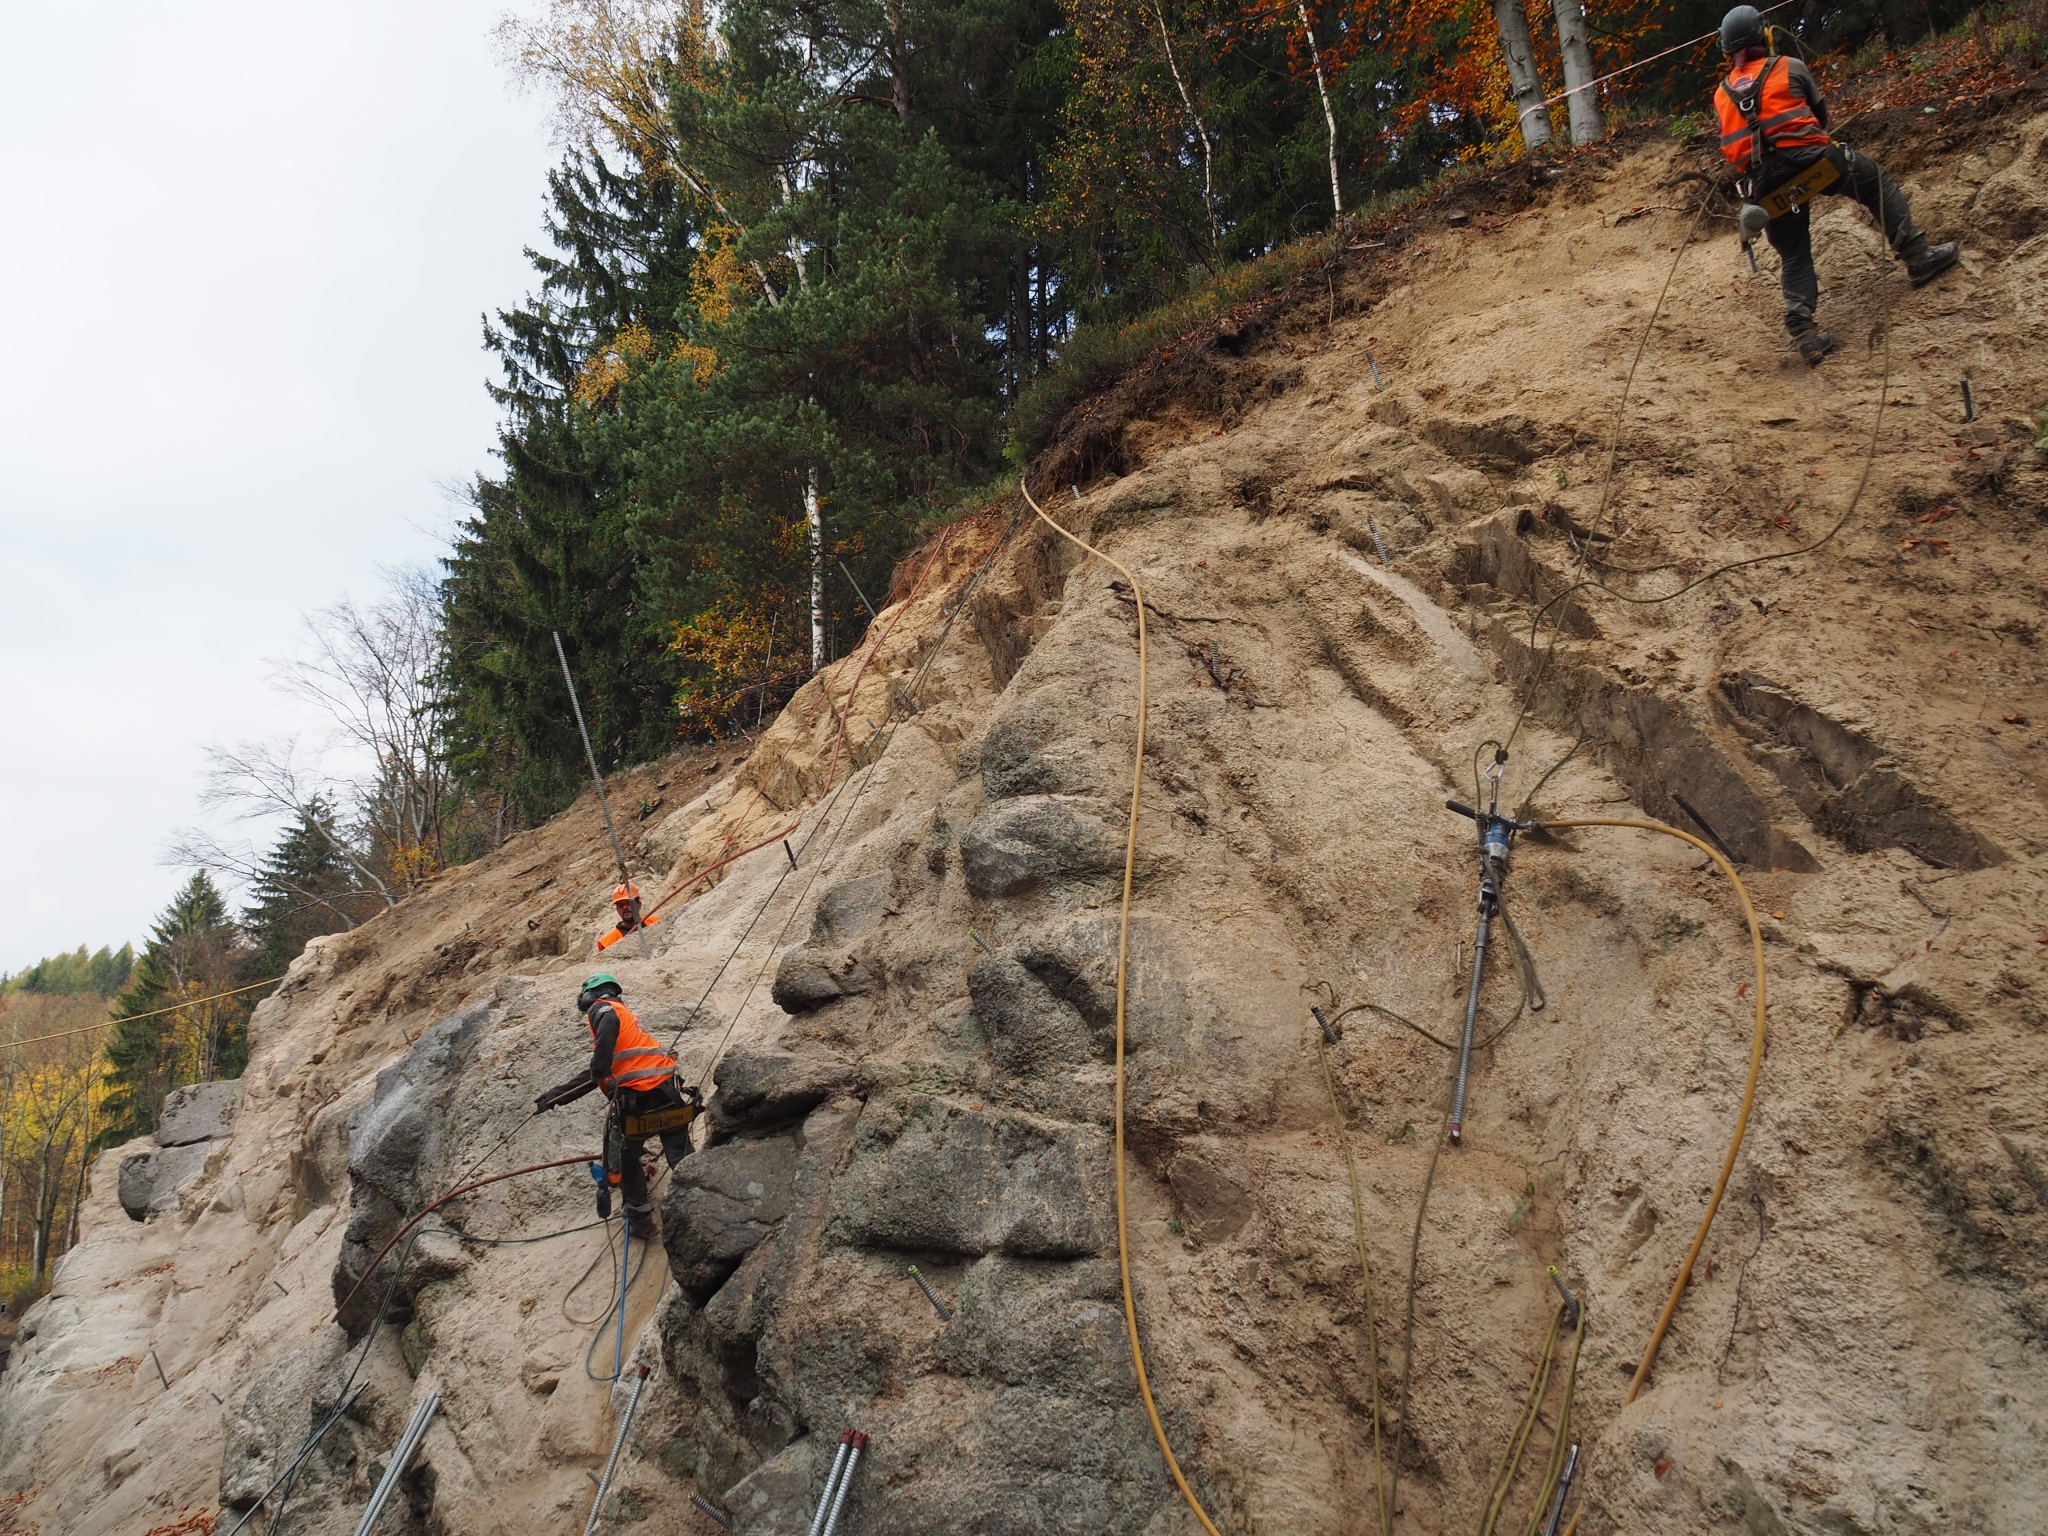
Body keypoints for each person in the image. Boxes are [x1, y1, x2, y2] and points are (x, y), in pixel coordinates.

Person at [1713, 4, 1960, 363]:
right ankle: (1918, 256)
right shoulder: (1789, 66)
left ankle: (1804, 333)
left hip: (1765, 184)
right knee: (1874, 181)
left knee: (1794, 252)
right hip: (1815, 160)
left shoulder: (1721, 94)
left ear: (1727, 50)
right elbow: (1821, 118)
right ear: (1764, 36)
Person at [535, 973, 696, 1236]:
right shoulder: (628, 1018)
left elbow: (599, 1068)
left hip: (637, 1102)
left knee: (626, 1157)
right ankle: (700, 1197)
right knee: (680, 1152)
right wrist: (556, 1096)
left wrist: (598, 1067)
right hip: (669, 1095)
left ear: (591, 994)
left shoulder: (602, 1009)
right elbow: (595, 1075)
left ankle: (641, 1219)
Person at [597, 881, 662, 953]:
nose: (625, 907)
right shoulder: (608, 942)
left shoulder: (656, 922)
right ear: (617, 910)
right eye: (621, 905)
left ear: (639, 905)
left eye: (629, 903)